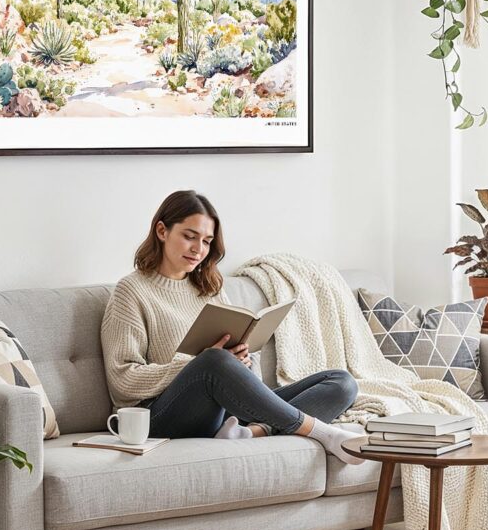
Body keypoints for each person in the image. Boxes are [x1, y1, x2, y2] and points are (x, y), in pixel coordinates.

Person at [100, 190, 365, 464]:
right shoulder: (131, 291)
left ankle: (254, 432)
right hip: (158, 419)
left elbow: (239, 371)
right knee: (214, 360)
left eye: (206, 241)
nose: (198, 249)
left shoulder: (208, 289)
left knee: (341, 382)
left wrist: (243, 362)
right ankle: (324, 434)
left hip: (222, 410)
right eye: (189, 236)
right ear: (162, 231)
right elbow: (123, 380)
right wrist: (197, 363)